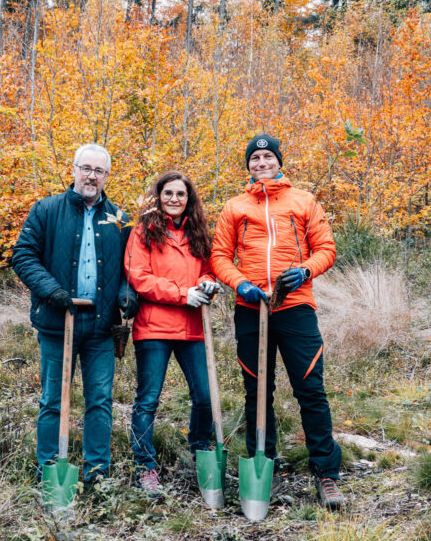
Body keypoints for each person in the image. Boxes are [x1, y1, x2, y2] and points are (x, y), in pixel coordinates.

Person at [210, 134, 345, 510]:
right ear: (249, 166)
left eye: (268, 156)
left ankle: (326, 473)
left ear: (278, 161)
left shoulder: (303, 201)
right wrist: (241, 284)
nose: (261, 162)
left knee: (311, 391)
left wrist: (304, 271)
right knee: (257, 392)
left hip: (295, 306)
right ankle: (263, 462)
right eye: (255, 158)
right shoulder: (235, 207)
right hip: (251, 309)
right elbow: (219, 256)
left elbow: (326, 249)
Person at [12, 143, 138, 485]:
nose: (91, 176)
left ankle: (97, 473)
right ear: (74, 169)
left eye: (99, 171)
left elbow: (131, 268)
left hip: (101, 328)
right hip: (57, 324)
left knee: (100, 400)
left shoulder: (120, 218)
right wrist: (52, 291)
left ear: (107, 176)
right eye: (86, 168)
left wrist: (128, 296)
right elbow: (23, 256)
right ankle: (49, 470)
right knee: (53, 399)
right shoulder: (46, 210)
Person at [124, 171, 219, 493]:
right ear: (159, 195)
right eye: (169, 193)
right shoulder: (144, 230)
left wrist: (208, 282)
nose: (174, 199)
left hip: (191, 327)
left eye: (181, 194)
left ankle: (200, 449)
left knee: (205, 397)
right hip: (154, 327)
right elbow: (139, 277)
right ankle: (145, 466)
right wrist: (182, 294)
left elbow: (207, 268)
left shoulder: (197, 232)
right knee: (148, 400)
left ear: (188, 199)